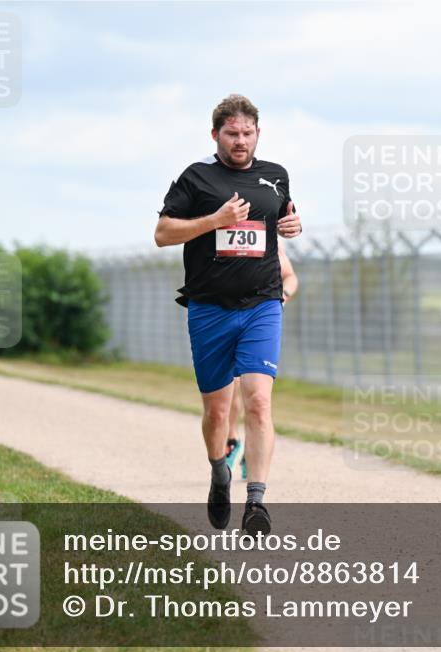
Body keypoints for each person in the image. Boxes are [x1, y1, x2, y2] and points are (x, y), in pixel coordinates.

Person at [154, 94, 302, 537]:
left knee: (257, 401)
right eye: (232, 133)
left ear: (259, 133)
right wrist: (214, 219)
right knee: (218, 414)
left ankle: (256, 502)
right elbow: (163, 233)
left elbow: (283, 222)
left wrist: (291, 226)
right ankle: (220, 471)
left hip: (261, 304)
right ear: (215, 133)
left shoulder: (275, 177)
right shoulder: (196, 177)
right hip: (209, 310)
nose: (240, 141)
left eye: (248, 133)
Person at [226, 243, 299, 479]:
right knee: (228, 390)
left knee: (256, 395)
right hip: (224, 316)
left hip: (258, 322)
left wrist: (282, 297)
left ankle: (251, 451)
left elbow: (290, 277)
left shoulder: (267, 240)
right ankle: (231, 440)